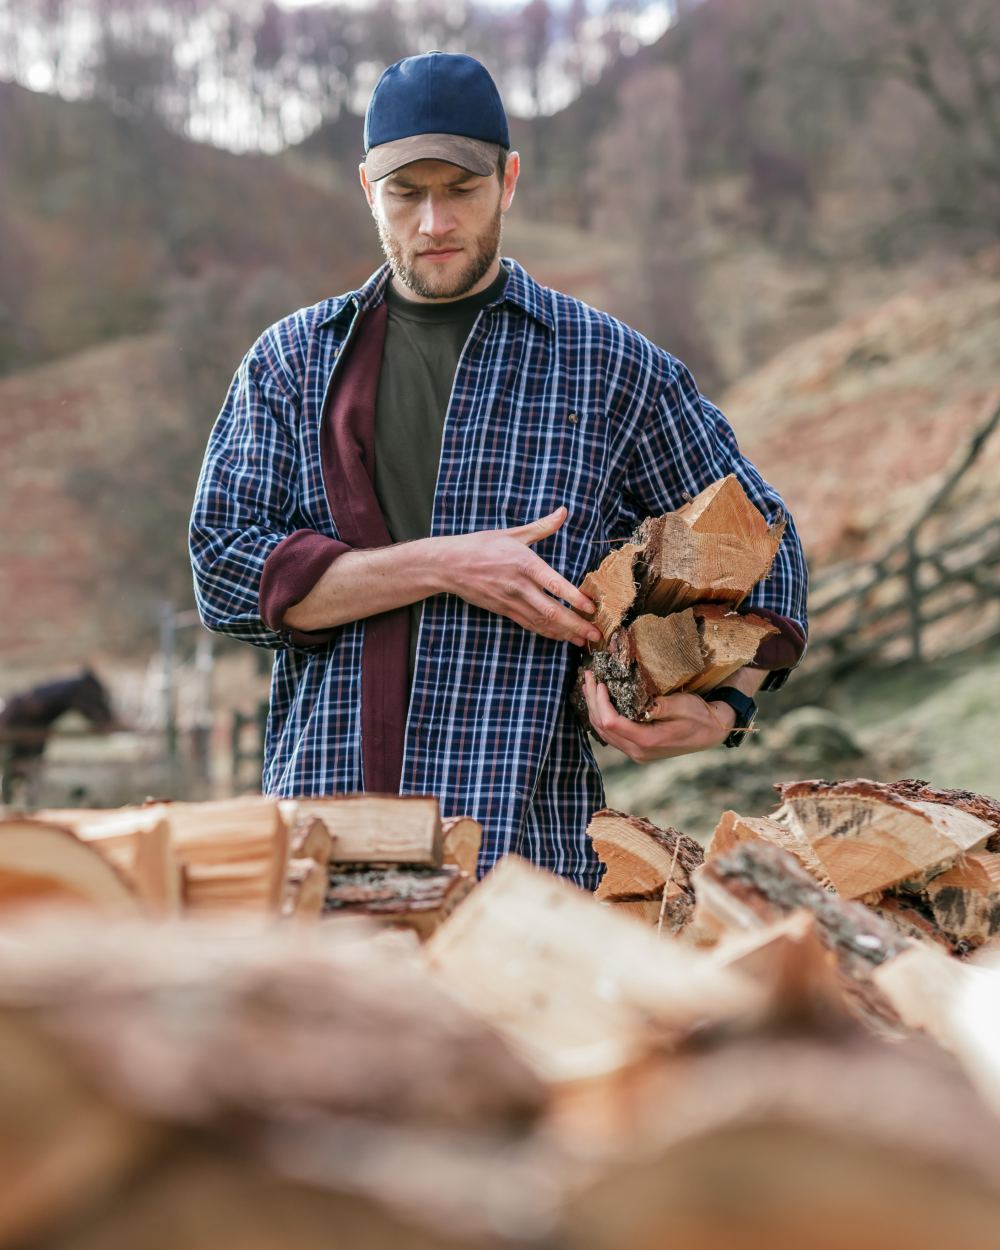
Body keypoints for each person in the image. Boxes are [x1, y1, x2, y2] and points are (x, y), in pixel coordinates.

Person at [190, 51, 808, 889]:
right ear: (368, 188)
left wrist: (726, 705)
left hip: (529, 865)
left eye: (462, 189)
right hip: (321, 855)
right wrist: (447, 564)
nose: (434, 223)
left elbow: (772, 551)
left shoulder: (611, 367)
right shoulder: (290, 364)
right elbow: (224, 573)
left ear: (509, 181)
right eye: (407, 193)